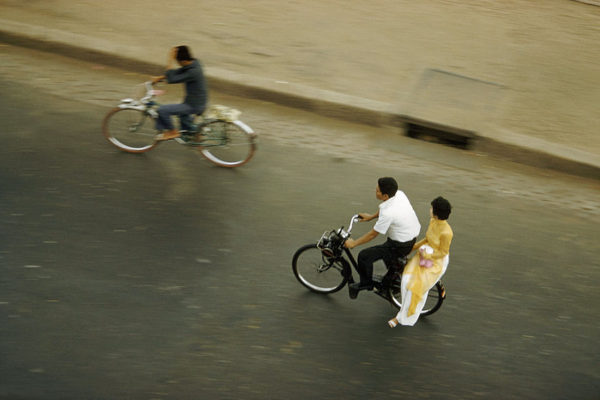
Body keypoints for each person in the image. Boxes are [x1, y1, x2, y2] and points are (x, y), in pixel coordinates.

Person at [344, 177, 421, 299]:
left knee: (364, 256)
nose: (375, 190)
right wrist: (371, 217)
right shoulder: (399, 194)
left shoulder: (388, 213)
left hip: (400, 245)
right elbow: (384, 207)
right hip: (410, 236)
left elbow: (373, 234)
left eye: (378, 190)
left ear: (385, 195)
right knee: (388, 256)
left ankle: (366, 284)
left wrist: (353, 244)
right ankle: (393, 275)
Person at [388, 196, 453, 327]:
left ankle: (400, 318)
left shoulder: (447, 233)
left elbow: (443, 252)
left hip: (436, 261)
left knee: (415, 288)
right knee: (405, 280)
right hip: (424, 253)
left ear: (436, 213)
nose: (430, 210)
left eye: (431, 208)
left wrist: (428, 256)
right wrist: (412, 247)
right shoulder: (433, 222)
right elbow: (427, 239)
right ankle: (403, 310)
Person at [152, 45, 208, 141]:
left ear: (182, 61)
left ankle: (173, 132)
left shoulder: (193, 72)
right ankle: (195, 134)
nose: (177, 63)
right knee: (183, 119)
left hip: (193, 105)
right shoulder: (195, 63)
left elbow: (173, 78)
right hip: (197, 101)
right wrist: (160, 78)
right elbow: (179, 71)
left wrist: (170, 59)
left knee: (162, 110)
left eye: (177, 61)